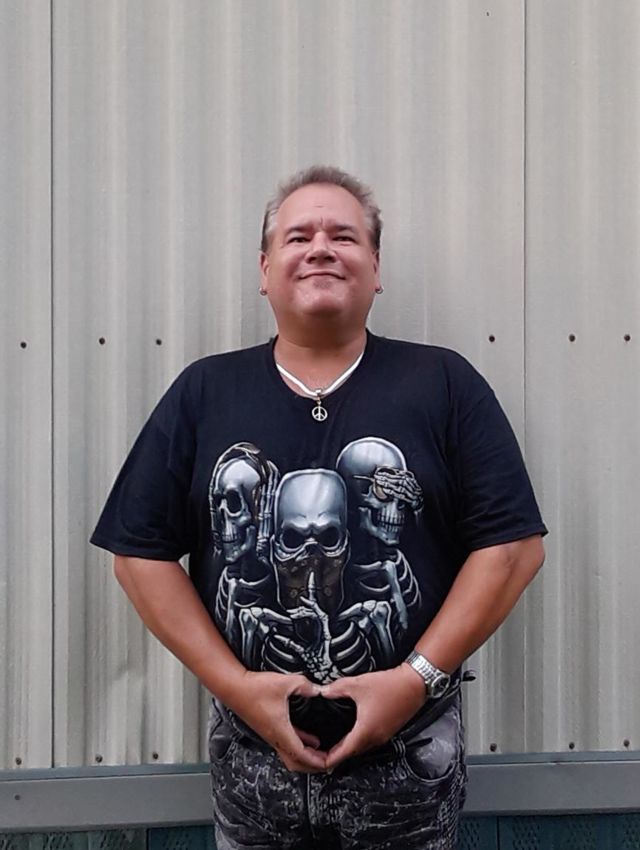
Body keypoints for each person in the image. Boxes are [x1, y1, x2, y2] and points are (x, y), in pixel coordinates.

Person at [91, 165, 547, 849]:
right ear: (265, 269)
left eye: (345, 236)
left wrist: (413, 681)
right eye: (299, 236)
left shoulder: (444, 383)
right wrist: (238, 687)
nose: (322, 249)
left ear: (376, 268)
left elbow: (512, 549)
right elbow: (139, 555)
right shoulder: (205, 392)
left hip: (409, 758)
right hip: (253, 761)